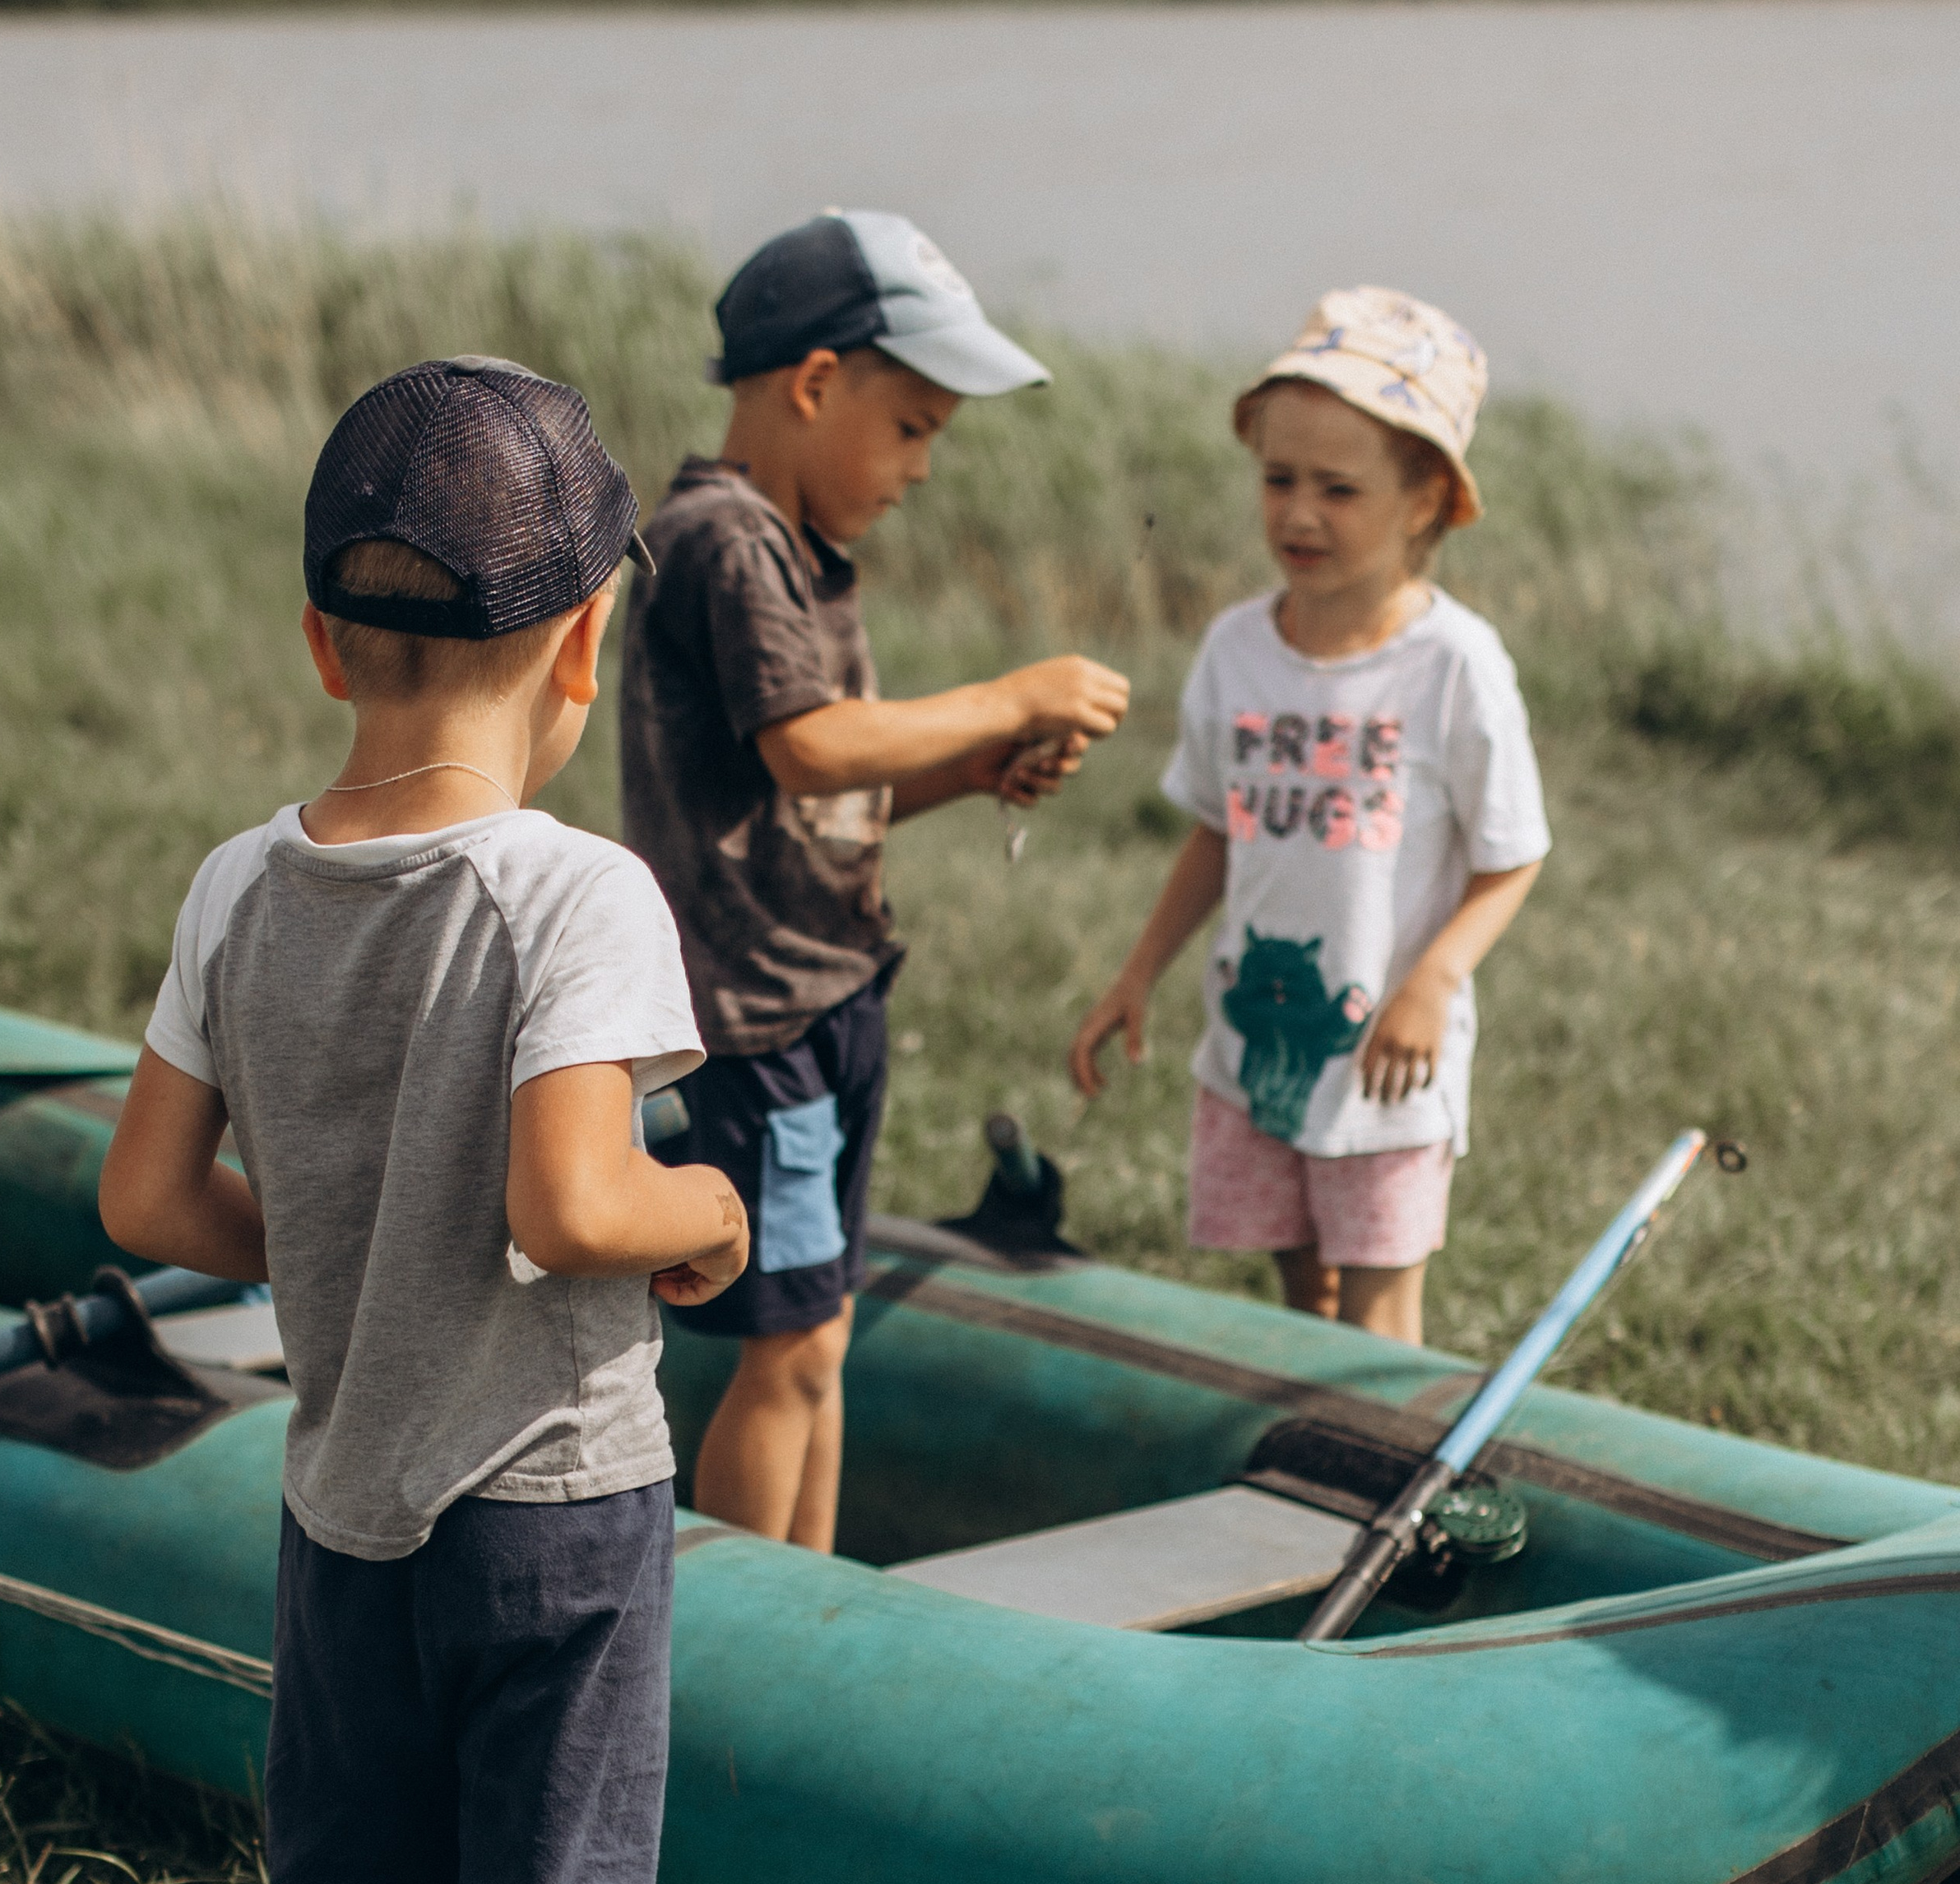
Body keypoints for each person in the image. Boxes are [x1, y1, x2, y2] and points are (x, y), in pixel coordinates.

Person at [99, 359, 747, 1884]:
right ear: (581, 647)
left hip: (343, 1491)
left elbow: (144, 1195)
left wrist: (318, 1241)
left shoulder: (237, 884)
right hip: (555, 1495)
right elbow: (571, 1205)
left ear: (318, 644)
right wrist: (703, 1203)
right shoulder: (575, 892)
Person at [622, 209, 1131, 1550]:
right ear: (814, 384)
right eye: (912, 429)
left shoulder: (800, 557)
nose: (918, 470)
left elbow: (832, 784)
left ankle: (817, 1587)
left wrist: (971, 774)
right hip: (760, 1021)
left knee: (821, 1337)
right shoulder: (723, 541)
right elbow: (811, 748)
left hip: (832, 992)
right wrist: (1009, 692)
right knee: (785, 1348)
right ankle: (747, 1624)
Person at [1068, 287, 1550, 1346]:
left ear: (1425, 500)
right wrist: (1137, 973)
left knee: (1378, 1310)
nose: (1298, 514)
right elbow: (1217, 828)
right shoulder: (1238, 649)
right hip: (1259, 1042)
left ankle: (1382, 1492)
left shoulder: (1452, 665)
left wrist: (1435, 981)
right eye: (1279, 479)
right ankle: (1310, 1479)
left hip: (1385, 1058)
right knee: (1300, 1286)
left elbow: (1512, 856)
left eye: (1340, 489)